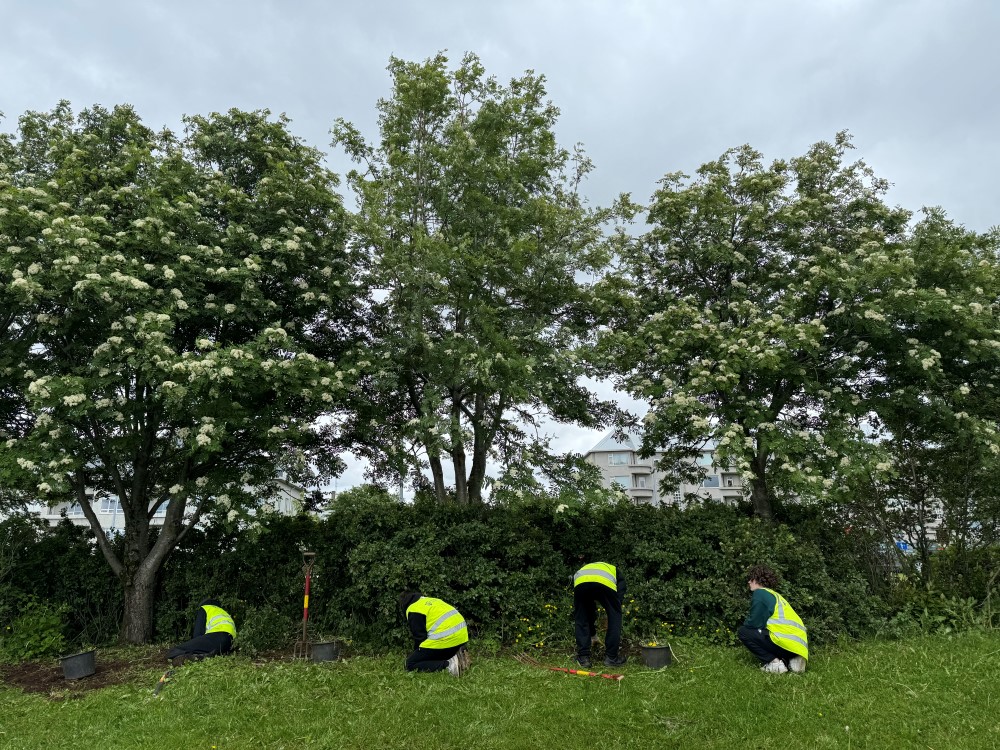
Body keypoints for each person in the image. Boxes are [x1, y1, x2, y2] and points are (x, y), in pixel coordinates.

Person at [737, 565, 808, 674]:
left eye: (751, 579)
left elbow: (754, 623)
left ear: (757, 579)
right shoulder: (776, 596)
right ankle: (792, 659)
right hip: (798, 647)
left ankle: (775, 664)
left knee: (744, 632)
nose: (749, 582)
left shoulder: (760, 593)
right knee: (764, 632)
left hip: (784, 643)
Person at [398, 591, 470, 676]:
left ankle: (449, 665)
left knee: (410, 664)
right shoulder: (430, 601)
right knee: (432, 652)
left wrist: (417, 654)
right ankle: (456, 654)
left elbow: (420, 638)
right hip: (461, 637)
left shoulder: (413, 609)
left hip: (447, 639)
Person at [573, 561, 627, 668]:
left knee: (581, 617)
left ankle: (583, 658)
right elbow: (617, 605)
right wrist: (611, 613)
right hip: (604, 582)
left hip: (580, 581)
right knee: (615, 615)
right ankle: (611, 658)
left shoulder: (587, 568)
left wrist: (593, 635)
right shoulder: (616, 573)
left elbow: (589, 611)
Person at [166, 597, 236, 666]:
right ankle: (204, 656)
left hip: (216, 637)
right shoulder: (224, 612)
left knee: (176, 650)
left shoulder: (205, 608)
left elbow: (198, 633)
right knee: (206, 648)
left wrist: (194, 643)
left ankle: (195, 657)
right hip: (230, 643)